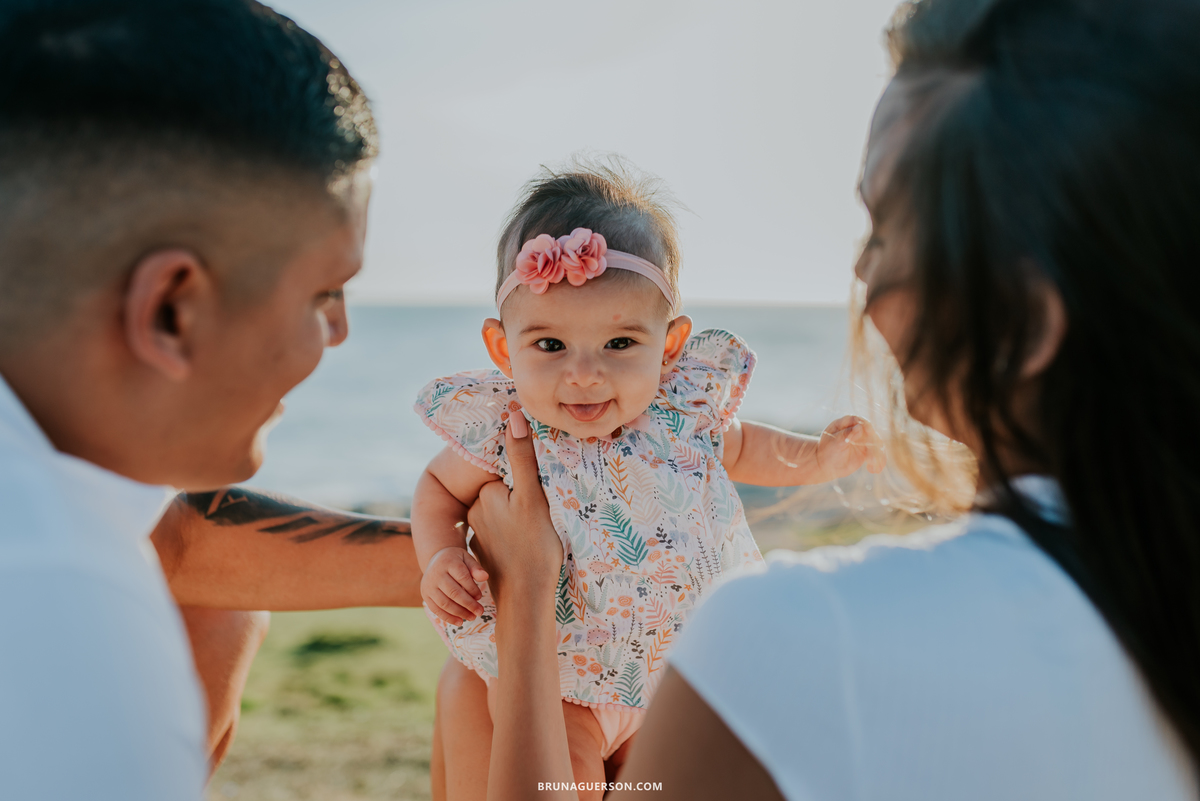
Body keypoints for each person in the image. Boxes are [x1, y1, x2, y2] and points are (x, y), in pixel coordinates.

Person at [461, 0, 1200, 798]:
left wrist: (528, 592)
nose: (862, 274)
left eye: (884, 228)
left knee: (462, 703)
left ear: (1020, 324)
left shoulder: (791, 642)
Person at [0, 1, 420, 798]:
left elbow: (180, 541)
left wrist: (482, 559)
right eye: (325, 291)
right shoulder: (64, 597)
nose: (338, 332)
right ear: (172, 309)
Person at [411, 163, 886, 799]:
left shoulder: (683, 412)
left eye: (618, 344)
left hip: (677, 672)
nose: (583, 374)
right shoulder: (508, 429)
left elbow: (750, 448)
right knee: (566, 782)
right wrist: (440, 551)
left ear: (668, 345)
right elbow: (437, 491)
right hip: (562, 684)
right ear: (503, 350)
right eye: (550, 345)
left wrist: (821, 459)